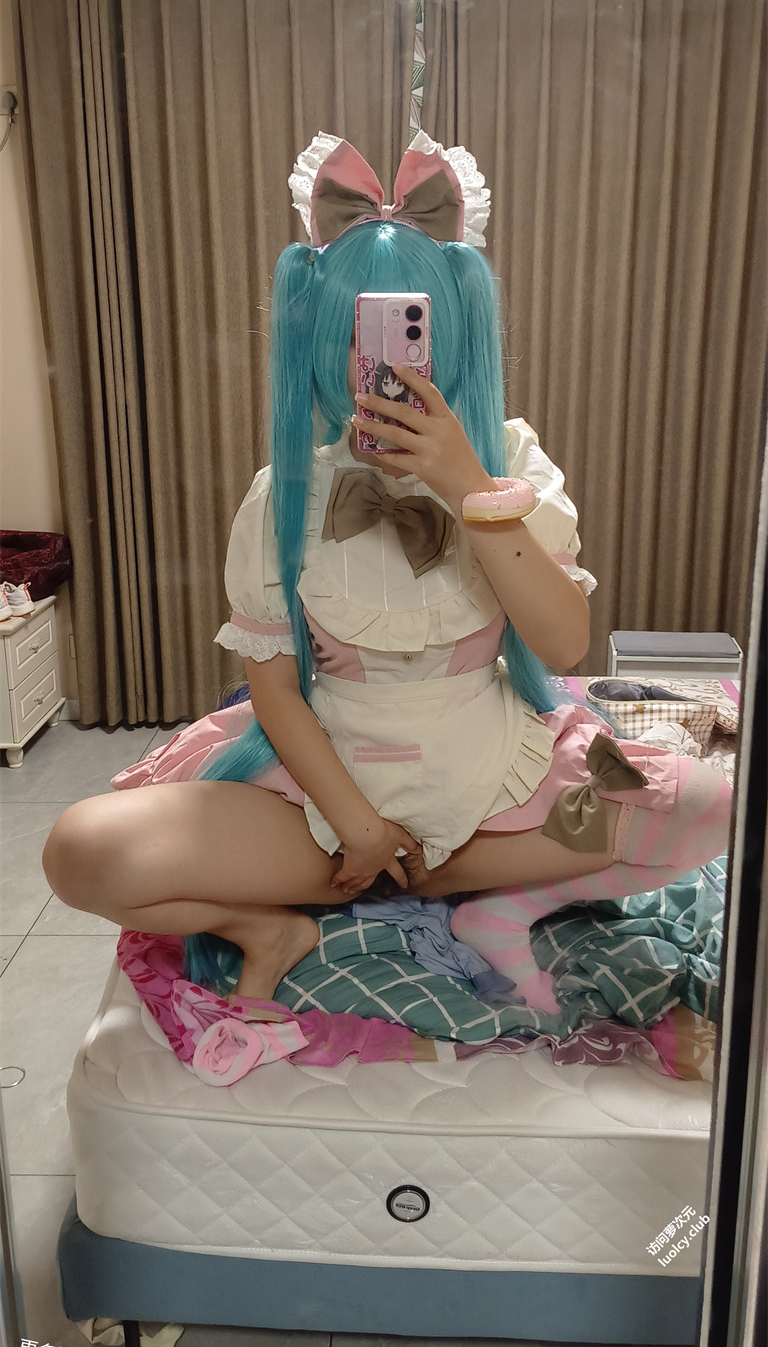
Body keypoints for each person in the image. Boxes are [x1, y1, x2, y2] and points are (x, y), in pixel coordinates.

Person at [42, 131, 732, 1007]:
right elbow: (275, 692)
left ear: (456, 335)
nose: (385, 369)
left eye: (412, 336)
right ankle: (275, 924)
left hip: (494, 788)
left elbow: (563, 642)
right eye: (358, 339)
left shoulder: (513, 464)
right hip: (316, 806)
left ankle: (493, 902)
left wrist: (470, 487)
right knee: (82, 848)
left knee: (712, 801)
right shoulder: (285, 493)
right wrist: (359, 828)